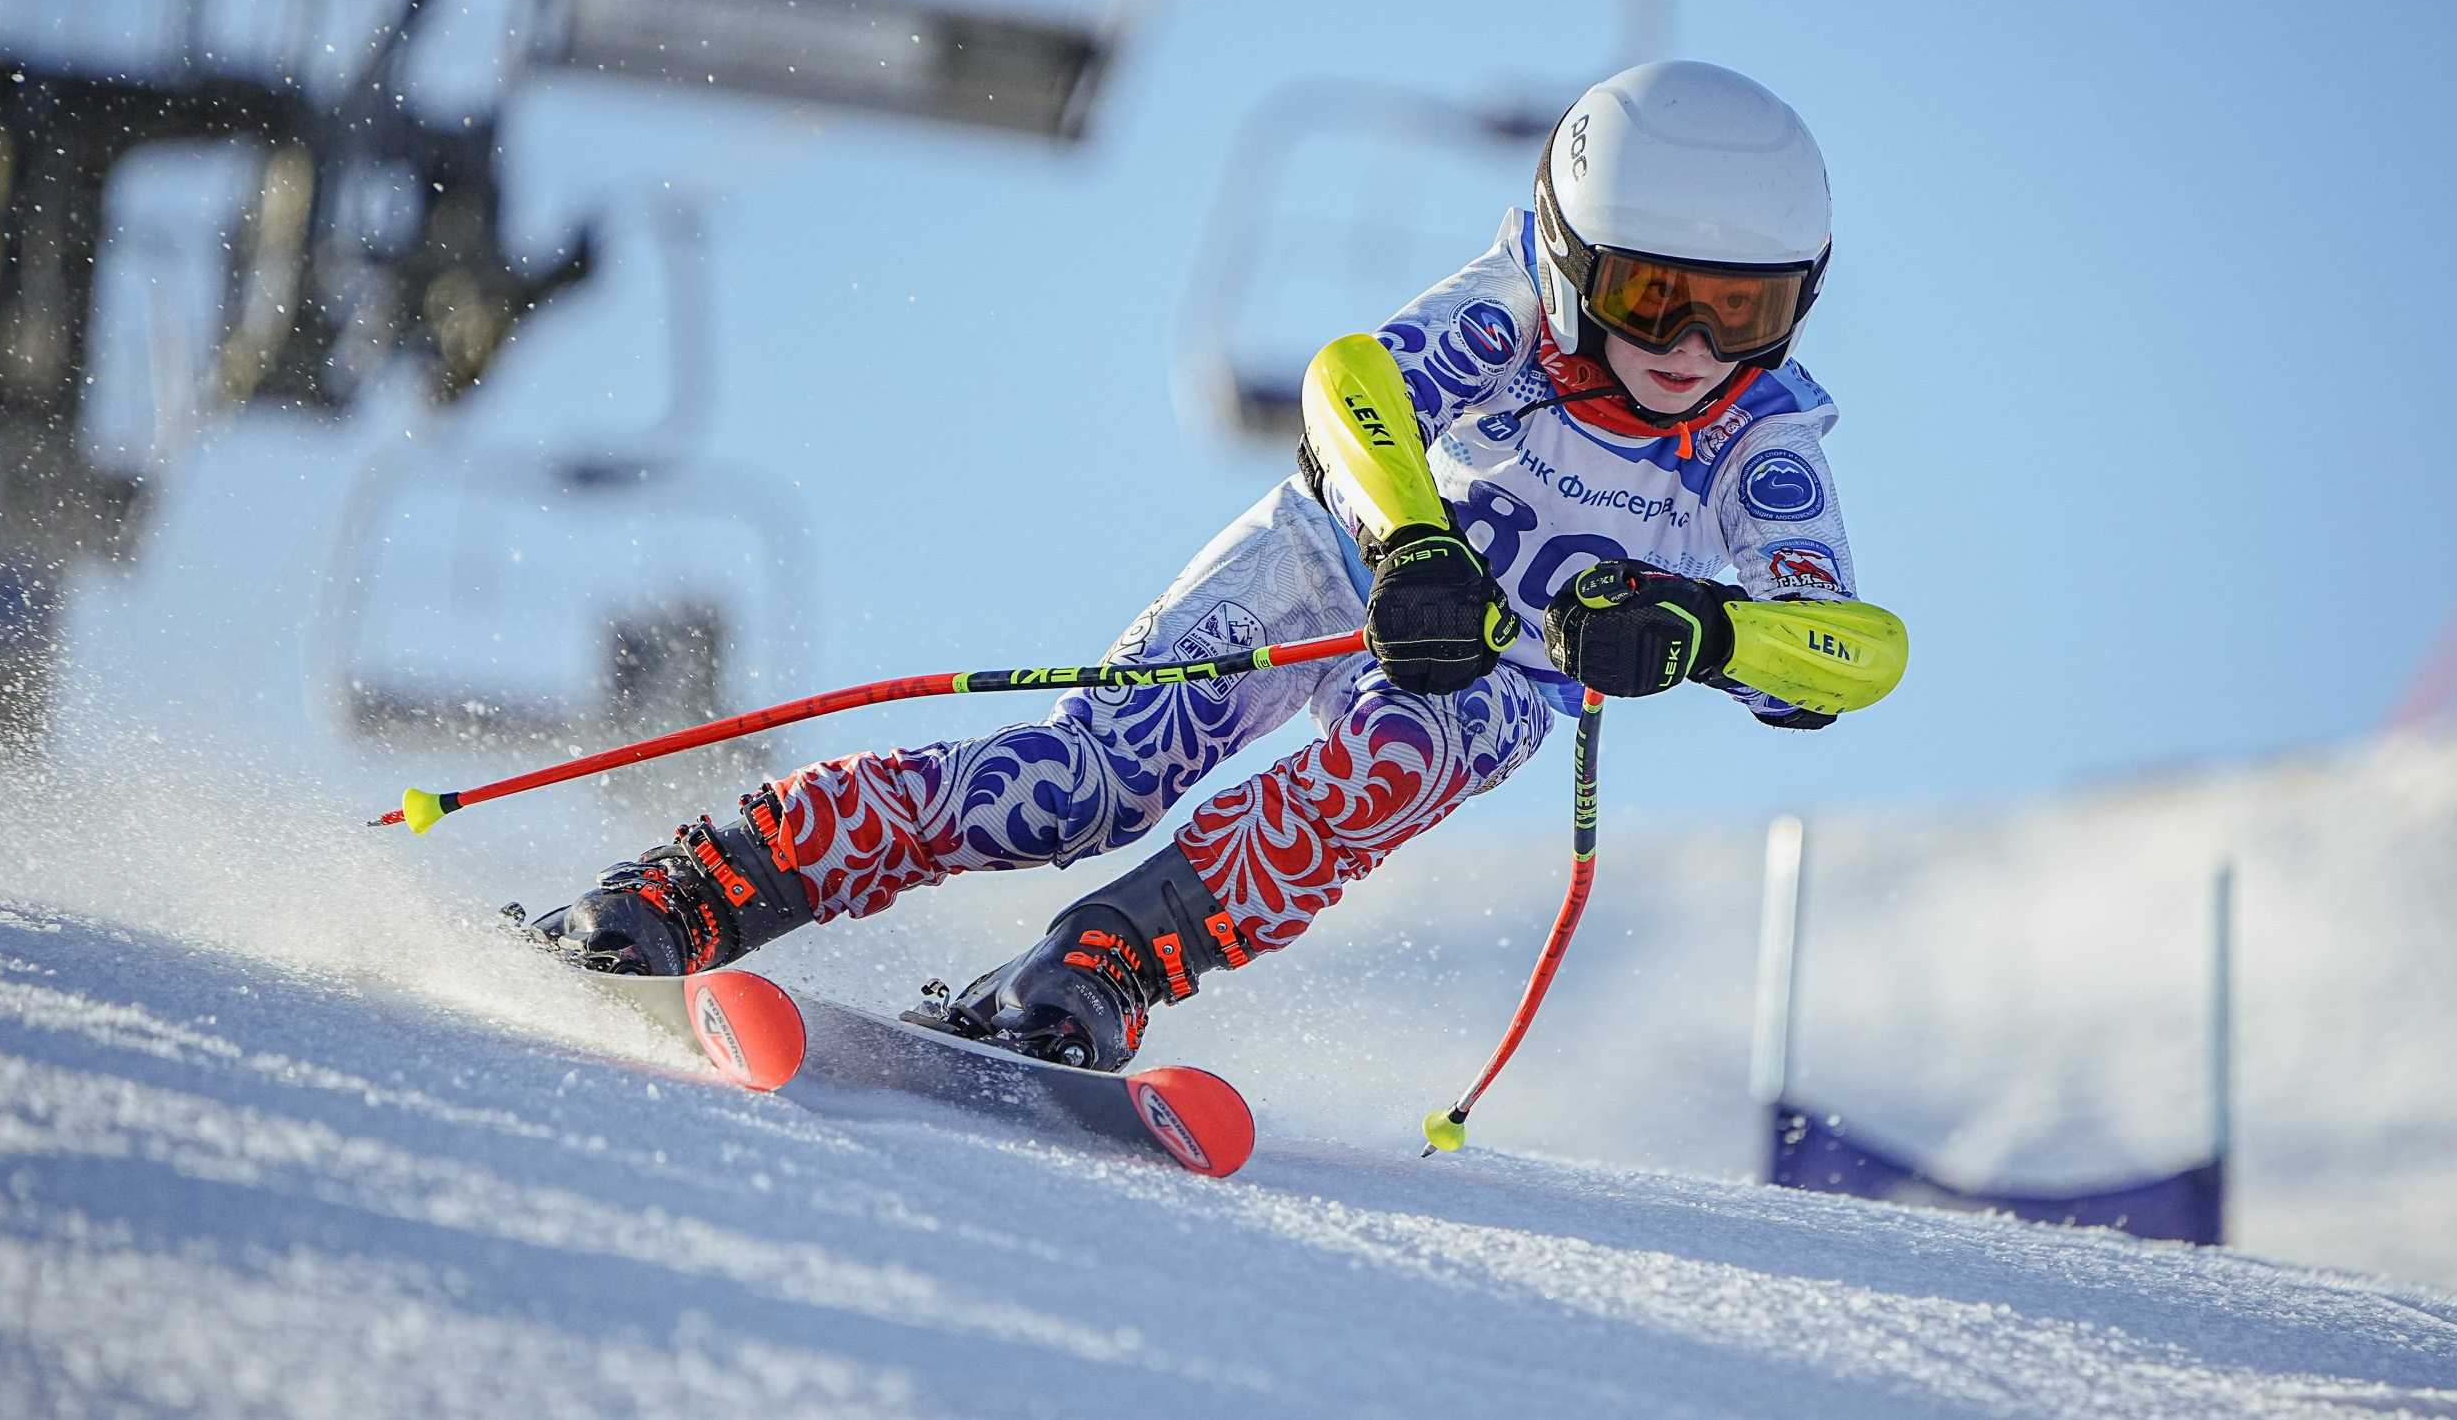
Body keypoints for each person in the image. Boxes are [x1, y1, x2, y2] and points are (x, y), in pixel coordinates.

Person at [542, 60, 1907, 1071]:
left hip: (1490, 672)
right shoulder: (1511, 320)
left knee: (1406, 758)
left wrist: (1705, 636)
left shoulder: (1757, 441)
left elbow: (1852, 646)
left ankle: (1101, 962)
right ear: (1566, 257)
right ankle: (712, 878)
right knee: (1086, 784)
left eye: (1749, 310)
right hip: (1327, 572)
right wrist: (1410, 541)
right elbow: (1351, 385)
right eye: (1648, 296)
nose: (1691, 347)